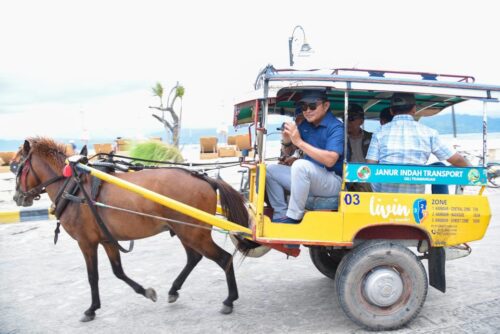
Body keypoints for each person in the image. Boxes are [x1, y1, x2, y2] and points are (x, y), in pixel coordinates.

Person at [266, 90, 344, 224]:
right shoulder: (305, 125)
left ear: (325, 106)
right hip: (307, 178)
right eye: (303, 107)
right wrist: (286, 140)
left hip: (332, 181)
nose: (307, 111)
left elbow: (330, 160)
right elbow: (288, 153)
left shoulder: (336, 127)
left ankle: (294, 216)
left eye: (312, 106)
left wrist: (299, 142)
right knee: (270, 170)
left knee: (300, 165)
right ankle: (280, 214)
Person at [366, 93, 469, 193]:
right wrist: (474, 173)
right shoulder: (429, 132)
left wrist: (379, 191)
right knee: (439, 166)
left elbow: (370, 167)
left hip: (386, 204)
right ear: (414, 109)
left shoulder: (379, 133)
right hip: (416, 203)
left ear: (391, 111)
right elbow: (457, 160)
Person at [346, 104, 372, 192]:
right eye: (344, 119)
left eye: (351, 119)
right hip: (348, 177)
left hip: (368, 176)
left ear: (361, 121)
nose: (347, 122)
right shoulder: (339, 138)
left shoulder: (372, 138)